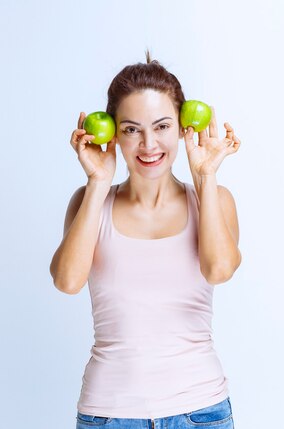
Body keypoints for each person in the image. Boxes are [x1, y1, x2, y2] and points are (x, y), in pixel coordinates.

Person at [49, 50, 242, 429]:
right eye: (132, 129)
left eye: (162, 126)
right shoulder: (90, 201)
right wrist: (98, 182)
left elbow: (218, 269)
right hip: (108, 413)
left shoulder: (214, 200)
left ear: (184, 127)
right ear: (113, 134)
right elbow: (67, 281)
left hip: (200, 413)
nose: (149, 144)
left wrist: (205, 176)